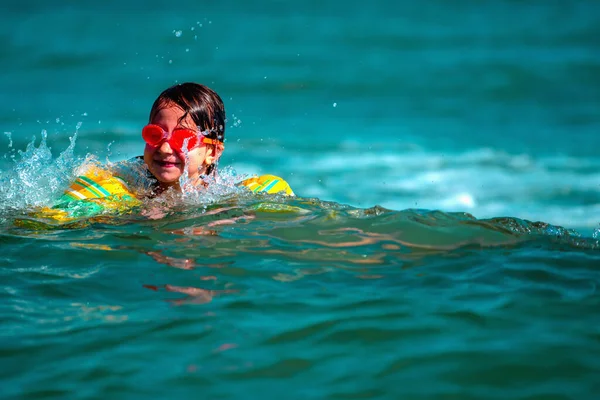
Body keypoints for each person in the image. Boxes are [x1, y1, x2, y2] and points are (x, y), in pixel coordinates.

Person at [33, 82, 294, 224]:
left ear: (212, 152)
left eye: (183, 138)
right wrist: (128, 215)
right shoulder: (115, 186)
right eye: (156, 134)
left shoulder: (233, 195)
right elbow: (45, 224)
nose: (165, 147)